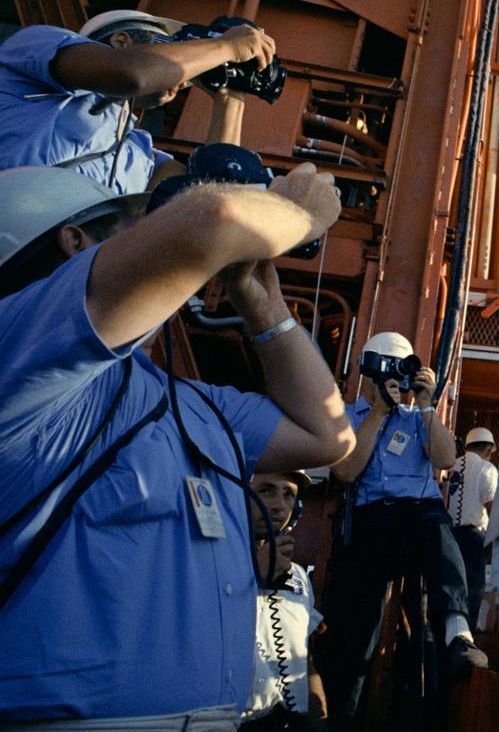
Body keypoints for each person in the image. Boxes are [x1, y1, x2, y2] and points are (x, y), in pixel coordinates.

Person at [0, 163, 354, 726]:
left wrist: (262, 304)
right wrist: (299, 213)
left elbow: (328, 434)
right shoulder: (16, 354)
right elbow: (208, 225)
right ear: (73, 242)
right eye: (135, 225)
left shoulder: (187, 402)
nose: (151, 231)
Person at [324, 332, 487, 729]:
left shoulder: (418, 420)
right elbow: (345, 471)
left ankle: (457, 634)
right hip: (371, 522)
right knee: (356, 636)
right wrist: (379, 411)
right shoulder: (349, 417)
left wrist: (427, 405)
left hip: (417, 517)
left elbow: (446, 458)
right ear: (370, 370)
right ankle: (341, 718)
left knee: (437, 531)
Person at [0, 8, 276, 195]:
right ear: (122, 41)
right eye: (171, 48)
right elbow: (133, 75)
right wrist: (228, 47)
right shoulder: (37, 45)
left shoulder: (144, 155)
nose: (185, 75)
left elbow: (207, 203)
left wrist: (229, 96)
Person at [242, 471, 328, 731]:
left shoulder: (298, 576)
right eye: (266, 490)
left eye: (288, 494)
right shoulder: (210, 566)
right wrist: (253, 580)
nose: (280, 505)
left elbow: (303, 657)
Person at [446, 426, 499, 630]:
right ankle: (466, 633)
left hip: (449, 535)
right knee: (473, 589)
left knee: (452, 586)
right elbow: (492, 504)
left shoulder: (451, 466)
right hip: (473, 537)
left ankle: (450, 630)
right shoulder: (486, 469)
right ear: (488, 449)